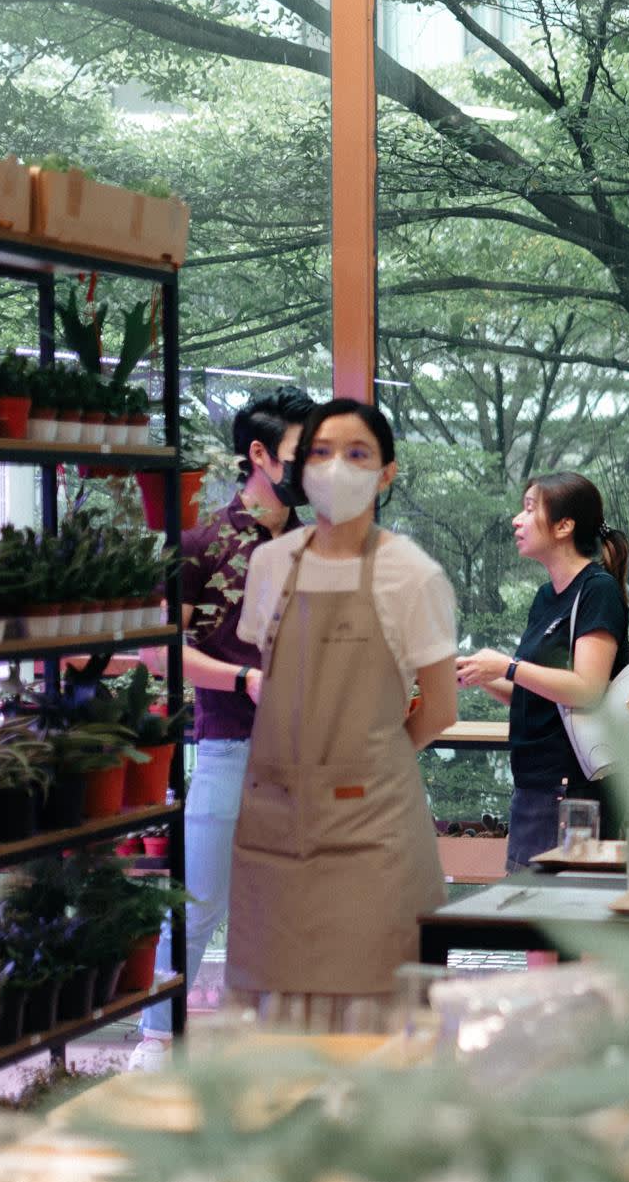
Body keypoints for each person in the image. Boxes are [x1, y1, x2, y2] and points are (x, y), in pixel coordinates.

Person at [231, 399, 458, 1025]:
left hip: (374, 833)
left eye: (357, 454)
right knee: (278, 1021)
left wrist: (368, 766)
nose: (336, 467)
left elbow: (440, 709)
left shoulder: (412, 575)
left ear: (386, 473)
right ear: (300, 468)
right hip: (278, 825)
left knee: (373, 1016)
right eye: (322, 452)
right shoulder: (270, 564)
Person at [134, 385, 312, 1065]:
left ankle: (273, 1051)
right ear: (259, 455)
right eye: (302, 453)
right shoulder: (201, 543)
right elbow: (158, 653)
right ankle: (157, 1042)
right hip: (230, 747)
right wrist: (245, 679)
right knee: (198, 902)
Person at [456, 472, 629, 870]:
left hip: (572, 790)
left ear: (564, 526)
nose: (517, 520)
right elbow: (537, 695)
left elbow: (587, 688)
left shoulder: (597, 590)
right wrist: (483, 675)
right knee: (528, 901)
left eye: (529, 508)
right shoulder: (546, 597)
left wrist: (508, 666)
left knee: (554, 902)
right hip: (533, 786)